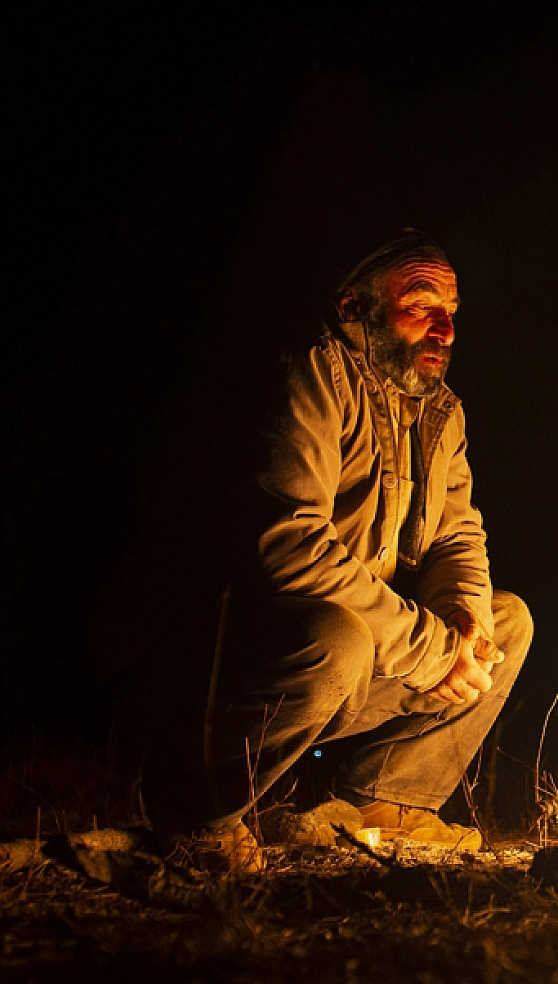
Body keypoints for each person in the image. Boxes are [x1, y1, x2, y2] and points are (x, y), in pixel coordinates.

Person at [123, 231, 532, 873]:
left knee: (506, 619)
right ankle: (197, 813)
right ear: (354, 306)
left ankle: (386, 800)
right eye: (421, 305)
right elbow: (287, 543)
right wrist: (429, 650)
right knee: (339, 638)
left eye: (452, 311)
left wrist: (465, 625)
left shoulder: (439, 413)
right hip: (238, 660)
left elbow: (459, 536)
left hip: (368, 653)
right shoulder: (308, 372)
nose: (445, 329)